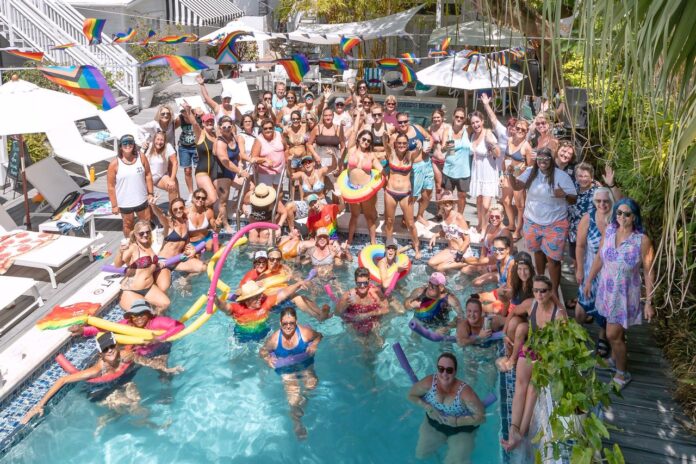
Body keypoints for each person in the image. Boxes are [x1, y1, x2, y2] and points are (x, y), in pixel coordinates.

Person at [20, 332, 181, 425]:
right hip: (99, 390)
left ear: (117, 347)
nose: (110, 350)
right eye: (105, 349)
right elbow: (62, 380)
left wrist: (167, 369)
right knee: (128, 405)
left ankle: (119, 417)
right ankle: (153, 426)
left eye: (112, 346)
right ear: (100, 354)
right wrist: (39, 405)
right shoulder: (96, 370)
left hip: (119, 381)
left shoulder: (125, 355)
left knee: (136, 399)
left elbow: (146, 361)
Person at [584, 198, 655, 390]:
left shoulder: (642, 240)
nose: (622, 217)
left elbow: (649, 272)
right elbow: (600, 256)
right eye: (619, 213)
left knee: (612, 335)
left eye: (627, 214)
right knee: (617, 332)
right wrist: (589, 280)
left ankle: (623, 374)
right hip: (607, 291)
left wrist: (649, 302)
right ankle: (615, 358)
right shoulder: (609, 231)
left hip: (624, 295)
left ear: (634, 217)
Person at [501, 276, 567, 451]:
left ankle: (520, 434)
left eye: (543, 290)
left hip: (547, 355)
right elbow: (514, 312)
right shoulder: (531, 304)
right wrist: (504, 331)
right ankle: (514, 429)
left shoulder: (558, 314)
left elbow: (565, 341)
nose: (539, 294)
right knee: (520, 384)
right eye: (536, 290)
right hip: (530, 349)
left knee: (532, 389)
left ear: (551, 291)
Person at [509, 147, 577, 297]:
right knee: (538, 252)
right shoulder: (530, 172)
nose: (543, 162)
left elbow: (574, 199)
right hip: (532, 221)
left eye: (546, 159)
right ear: (536, 160)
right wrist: (509, 174)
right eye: (540, 159)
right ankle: (540, 281)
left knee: (553, 260)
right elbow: (516, 186)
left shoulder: (561, 176)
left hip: (555, 223)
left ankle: (553, 292)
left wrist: (564, 195)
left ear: (551, 160)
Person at [407, 352, 485, 464]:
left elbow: (481, 417)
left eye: (449, 370)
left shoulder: (465, 392)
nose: (444, 374)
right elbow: (411, 395)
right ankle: (441, 451)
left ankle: (452, 448)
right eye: (441, 369)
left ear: (455, 372)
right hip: (435, 423)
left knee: (455, 462)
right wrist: (428, 407)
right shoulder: (429, 382)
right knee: (421, 454)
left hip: (462, 429)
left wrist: (458, 422)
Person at [259, 307, 323, 439]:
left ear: (296, 321)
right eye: (285, 324)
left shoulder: (305, 333)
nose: (288, 326)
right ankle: (297, 423)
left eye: (291, 323)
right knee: (293, 399)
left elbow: (319, 336)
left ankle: (303, 399)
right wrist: (267, 359)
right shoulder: (275, 339)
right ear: (280, 323)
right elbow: (263, 351)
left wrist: (314, 345)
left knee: (312, 385)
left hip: (304, 364)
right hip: (286, 368)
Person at [73, 299, 183, 366]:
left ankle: (166, 389)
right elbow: (107, 328)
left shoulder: (157, 322)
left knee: (162, 369)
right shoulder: (127, 323)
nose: (138, 318)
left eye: (142, 314)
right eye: (135, 315)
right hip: (136, 351)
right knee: (110, 355)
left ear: (149, 314)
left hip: (158, 349)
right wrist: (83, 330)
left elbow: (179, 326)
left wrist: (159, 339)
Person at [575, 188, 614, 358]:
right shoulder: (588, 218)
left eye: (605, 201)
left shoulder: (617, 219)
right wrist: (579, 269)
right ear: (594, 202)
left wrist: (611, 185)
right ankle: (576, 333)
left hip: (610, 272)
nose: (602, 204)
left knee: (606, 307)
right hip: (591, 266)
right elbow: (580, 246)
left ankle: (602, 336)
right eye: (598, 201)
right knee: (582, 306)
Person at [216, 277, 316, 341]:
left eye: (259, 295)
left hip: (265, 333)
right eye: (256, 297)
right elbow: (224, 306)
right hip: (242, 337)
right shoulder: (238, 308)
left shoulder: (265, 303)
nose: (260, 298)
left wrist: (298, 284)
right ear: (246, 300)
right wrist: (215, 299)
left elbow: (284, 293)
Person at [115, 220, 170, 313]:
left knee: (165, 304)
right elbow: (118, 264)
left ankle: (157, 322)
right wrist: (120, 252)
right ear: (135, 234)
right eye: (141, 233)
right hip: (131, 290)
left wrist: (157, 263)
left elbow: (150, 263)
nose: (145, 235)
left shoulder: (148, 245)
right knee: (144, 313)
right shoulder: (133, 247)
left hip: (148, 288)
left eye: (147, 232)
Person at [107, 134, 154, 237]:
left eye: (130, 143)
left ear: (134, 144)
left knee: (146, 222)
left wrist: (150, 193)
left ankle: (147, 243)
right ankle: (130, 244)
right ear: (120, 146)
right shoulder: (114, 164)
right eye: (125, 143)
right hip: (125, 202)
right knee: (128, 225)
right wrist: (114, 205)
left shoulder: (141, 157)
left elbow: (148, 175)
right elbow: (110, 186)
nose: (128, 145)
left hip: (141, 199)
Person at [149, 198, 206, 284]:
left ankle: (185, 279)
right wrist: (153, 206)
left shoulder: (185, 223)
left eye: (181, 208)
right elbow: (160, 215)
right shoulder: (169, 223)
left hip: (178, 261)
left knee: (203, 267)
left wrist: (191, 249)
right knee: (164, 287)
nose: (178, 211)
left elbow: (186, 244)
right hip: (164, 261)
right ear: (171, 211)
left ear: (184, 208)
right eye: (175, 209)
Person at [496, 252, 536, 372]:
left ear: (531, 269)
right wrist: (504, 333)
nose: (522, 273)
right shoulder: (517, 281)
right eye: (520, 269)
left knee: (519, 328)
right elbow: (513, 310)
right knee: (511, 323)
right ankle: (511, 355)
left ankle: (513, 360)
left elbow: (552, 297)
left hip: (535, 323)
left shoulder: (536, 285)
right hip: (523, 316)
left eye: (526, 269)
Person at [392, 112, 434, 226]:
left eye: (405, 121)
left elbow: (429, 137)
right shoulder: (397, 137)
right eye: (400, 122)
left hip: (427, 164)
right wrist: (414, 150)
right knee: (413, 196)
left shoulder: (417, 128)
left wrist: (429, 145)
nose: (403, 124)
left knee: (427, 194)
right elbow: (398, 155)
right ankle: (406, 217)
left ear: (408, 121)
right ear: (397, 123)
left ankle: (420, 215)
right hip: (414, 168)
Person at [384, 133, 421, 258]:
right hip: (390, 192)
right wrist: (385, 136)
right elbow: (385, 143)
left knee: (410, 223)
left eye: (404, 143)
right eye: (399, 143)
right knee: (389, 221)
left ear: (407, 144)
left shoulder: (410, 155)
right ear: (395, 144)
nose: (401, 145)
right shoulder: (391, 153)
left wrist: (419, 145)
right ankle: (389, 245)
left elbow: (419, 150)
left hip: (405, 194)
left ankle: (416, 246)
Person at [345, 130, 383, 246]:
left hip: (366, 190)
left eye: (369, 141)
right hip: (352, 189)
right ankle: (350, 240)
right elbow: (352, 132)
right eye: (364, 139)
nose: (366, 142)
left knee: (369, 216)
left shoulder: (371, 155)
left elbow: (380, 169)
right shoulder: (351, 150)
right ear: (359, 139)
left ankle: (373, 241)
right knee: (354, 215)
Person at [214, 115, 251, 232]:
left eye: (229, 126)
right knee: (223, 202)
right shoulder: (220, 142)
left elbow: (238, 154)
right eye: (224, 127)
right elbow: (225, 161)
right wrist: (240, 171)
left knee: (250, 187)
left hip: (233, 172)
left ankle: (239, 205)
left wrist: (240, 162)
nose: (226, 129)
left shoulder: (233, 137)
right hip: (222, 174)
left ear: (232, 127)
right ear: (220, 128)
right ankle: (225, 224)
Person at [279, 159, 334, 232]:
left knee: (322, 209)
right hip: (306, 204)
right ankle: (293, 232)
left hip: (320, 202)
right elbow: (290, 176)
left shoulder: (320, 172)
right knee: (289, 206)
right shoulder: (302, 174)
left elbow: (333, 166)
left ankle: (331, 236)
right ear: (303, 166)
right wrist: (289, 162)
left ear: (314, 163)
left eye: (309, 162)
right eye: (305, 164)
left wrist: (333, 155)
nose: (307, 165)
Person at [468, 111, 501, 232]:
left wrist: (491, 143)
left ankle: (485, 228)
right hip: (477, 171)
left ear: (482, 121)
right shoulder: (472, 135)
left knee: (486, 205)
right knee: (479, 201)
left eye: (477, 122)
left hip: (488, 172)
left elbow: (498, 154)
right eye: (473, 123)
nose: (476, 125)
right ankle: (480, 224)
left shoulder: (488, 134)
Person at [501, 120, 533, 241]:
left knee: (520, 206)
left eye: (523, 130)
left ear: (527, 132)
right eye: (518, 128)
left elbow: (530, 166)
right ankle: (511, 224)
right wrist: (502, 173)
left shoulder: (527, 147)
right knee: (505, 201)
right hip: (508, 175)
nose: (519, 131)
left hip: (519, 177)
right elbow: (505, 158)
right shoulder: (509, 140)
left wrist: (521, 171)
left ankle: (518, 230)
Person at [461, 204, 512, 279]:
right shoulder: (489, 227)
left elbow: (504, 257)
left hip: (497, 266)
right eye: (491, 216)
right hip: (486, 262)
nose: (494, 219)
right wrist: (481, 264)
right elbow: (484, 248)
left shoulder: (505, 233)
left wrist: (490, 268)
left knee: (478, 282)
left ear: (502, 217)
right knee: (464, 270)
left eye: (497, 216)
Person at [335, 267, 389, 336]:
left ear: (369, 281)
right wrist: (345, 304)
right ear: (355, 282)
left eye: (365, 283)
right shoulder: (348, 295)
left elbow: (386, 309)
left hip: (373, 321)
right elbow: (337, 313)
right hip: (354, 324)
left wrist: (368, 314)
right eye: (359, 283)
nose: (362, 286)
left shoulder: (375, 292)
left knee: (379, 343)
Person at [428, 194, 471, 272]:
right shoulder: (444, 215)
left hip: (462, 253)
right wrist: (435, 235)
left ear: (453, 203)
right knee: (431, 263)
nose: (447, 204)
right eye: (445, 202)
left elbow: (467, 240)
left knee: (440, 268)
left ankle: (444, 281)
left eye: (450, 202)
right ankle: (447, 275)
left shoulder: (458, 217)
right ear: (441, 205)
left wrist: (459, 255)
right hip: (450, 250)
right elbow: (444, 232)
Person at [442, 108, 472, 214]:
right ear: (453, 117)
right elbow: (443, 149)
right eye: (457, 116)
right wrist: (447, 146)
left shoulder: (468, 130)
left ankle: (459, 217)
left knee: (462, 196)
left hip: (463, 170)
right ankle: (448, 216)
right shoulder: (447, 131)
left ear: (464, 119)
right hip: (449, 169)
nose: (459, 119)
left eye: (461, 117)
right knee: (447, 196)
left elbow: (480, 127)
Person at [193, 113, 221, 206]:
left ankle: (205, 217)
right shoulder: (200, 134)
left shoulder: (215, 135)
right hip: (202, 172)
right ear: (203, 123)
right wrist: (188, 112)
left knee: (216, 199)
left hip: (215, 172)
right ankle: (193, 211)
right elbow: (194, 123)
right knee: (212, 199)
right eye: (207, 121)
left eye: (211, 121)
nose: (210, 123)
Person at [251, 119, 286, 190]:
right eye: (265, 128)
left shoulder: (279, 135)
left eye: (270, 128)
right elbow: (253, 158)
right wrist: (265, 159)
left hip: (280, 169)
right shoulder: (258, 140)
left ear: (273, 128)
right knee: (267, 194)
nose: (268, 130)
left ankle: (278, 201)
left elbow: (286, 148)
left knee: (279, 191)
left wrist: (287, 164)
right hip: (265, 172)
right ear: (262, 129)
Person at [176, 102, 201, 202]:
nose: (184, 112)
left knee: (198, 170)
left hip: (196, 146)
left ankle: (199, 192)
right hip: (184, 146)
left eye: (186, 110)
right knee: (187, 170)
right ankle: (191, 193)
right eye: (182, 111)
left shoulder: (197, 116)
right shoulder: (180, 118)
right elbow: (170, 128)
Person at [145, 131, 179, 203]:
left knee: (172, 187)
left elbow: (175, 162)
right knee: (149, 208)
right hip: (147, 178)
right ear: (154, 139)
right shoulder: (149, 146)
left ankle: (172, 210)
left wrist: (172, 180)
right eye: (157, 139)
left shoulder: (168, 146)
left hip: (160, 177)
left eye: (162, 140)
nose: (159, 142)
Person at [309, 107, 345, 175]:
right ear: (323, 116)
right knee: (320, 184)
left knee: (333, 184)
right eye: (325, 115)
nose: (328, 117)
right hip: (319, 161)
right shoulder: (317, 128)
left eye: (330, 115)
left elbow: (343, 146)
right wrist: (315, 155)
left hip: (334, 162)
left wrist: (340, 162)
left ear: (333, 116)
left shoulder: (338, 129)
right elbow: (309, 144)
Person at [428, 109, 452, 200]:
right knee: (438, 186)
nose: (436, 119)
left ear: (442, 118)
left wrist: (452, 158)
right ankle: (439, 209)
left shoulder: (448, 128)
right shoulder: (431, 128)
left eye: (438, 117)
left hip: (447, 160)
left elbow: (452, 144)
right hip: (435, 160)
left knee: (447, 186)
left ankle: (447, 206)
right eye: (434, 117)